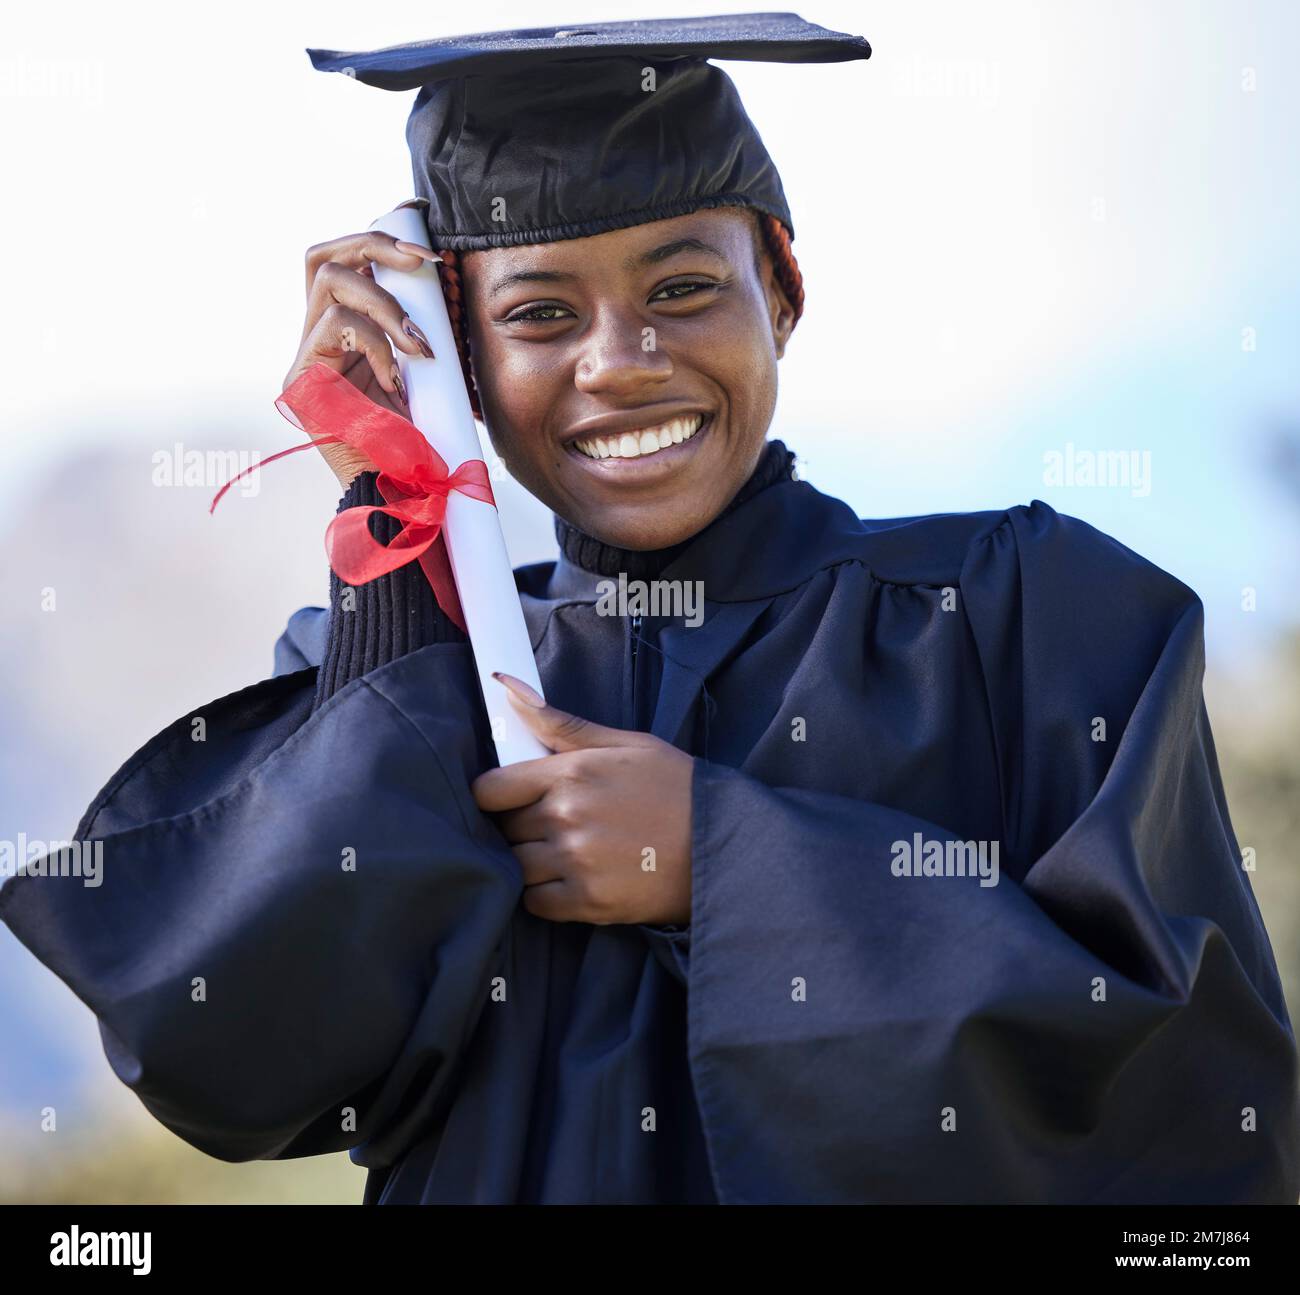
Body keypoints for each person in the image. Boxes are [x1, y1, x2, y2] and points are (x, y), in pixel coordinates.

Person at [3, 15, 1298, 1206]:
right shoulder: (404, 666)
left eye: (683, 288)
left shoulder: (1026, 612)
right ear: (459, 360)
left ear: (781, 292)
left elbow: (1196, 1105)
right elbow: (250, 1058)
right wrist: (393, 550)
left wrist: (727, 864)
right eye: (539, 314)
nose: (619, 361)